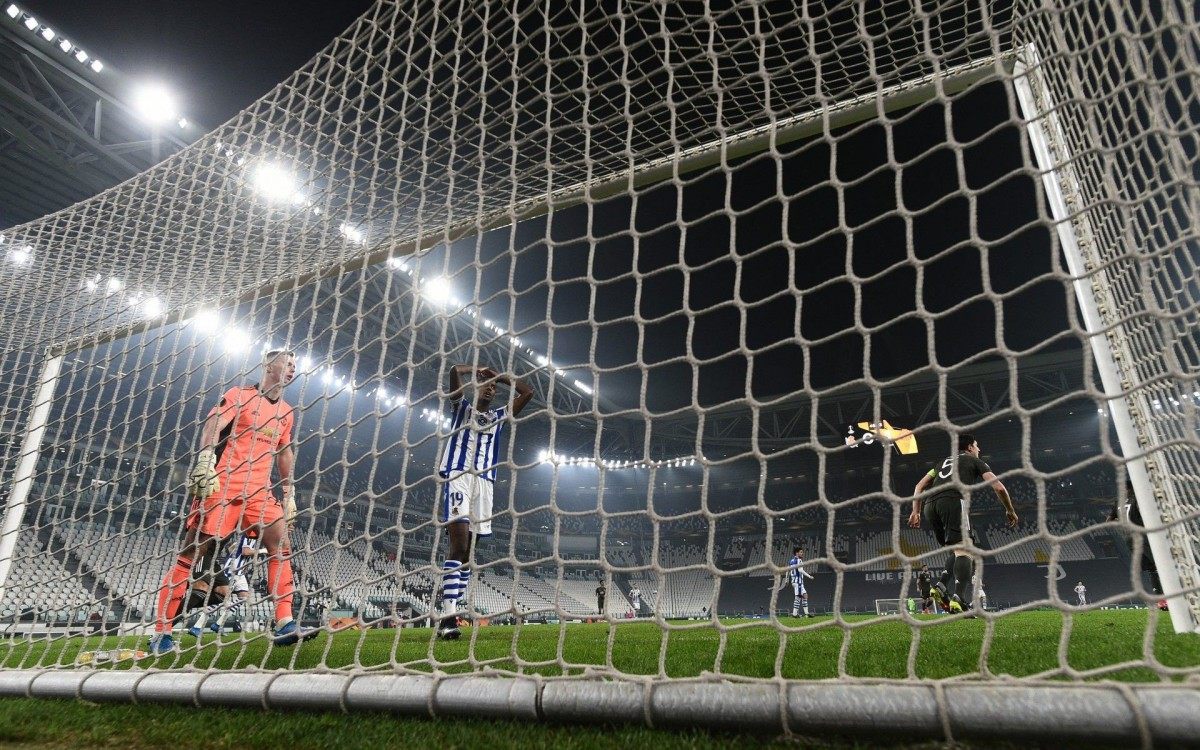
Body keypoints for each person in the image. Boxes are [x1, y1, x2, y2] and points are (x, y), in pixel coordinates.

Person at [149, 349, 307, 654]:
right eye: (287, 364)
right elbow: (214, 424)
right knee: (192, 553)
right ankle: (162, 632)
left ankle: (285, 622)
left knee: (281, 544)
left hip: (259, 490)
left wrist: (289, 493)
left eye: (294, 365)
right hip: (224, 485)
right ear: (268, 365)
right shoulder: (239, 394)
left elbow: (284, 453)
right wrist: (206, 459)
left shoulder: (286, 412)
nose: (292, 369)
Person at [435, 363, 533, 640]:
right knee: (458, 546)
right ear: (475, 388)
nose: (489, 390)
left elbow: (528, 392)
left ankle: (453, 608)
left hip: (485, 485)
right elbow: (453, 372)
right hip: (459, 477)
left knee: (468, 557)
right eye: (485, 386)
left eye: (492, 388)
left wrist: (500, 378)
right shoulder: (462, 409)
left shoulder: (499, 416)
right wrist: (474, 370)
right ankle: (447, 617)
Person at [908, 434, 1017, 614]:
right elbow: (999, 487)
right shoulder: (975, 461)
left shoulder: (942, 462)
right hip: (952, 501)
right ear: (969, 448)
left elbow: (919, 486)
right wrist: (1010, 510)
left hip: (929, 505)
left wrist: (916, 511)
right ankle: (958, 598)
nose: (979, 449)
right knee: (965, 550)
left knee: (957, 551)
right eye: (976, 446)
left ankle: (942, 586)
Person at [187, 529, 264, 637]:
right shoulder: (250, 534)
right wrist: (263, 551)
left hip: (239, 572)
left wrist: (242, 561)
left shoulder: (252, 537)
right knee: (221, 598)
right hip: (232, 571)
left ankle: (218, 625)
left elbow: (231, 548)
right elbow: (245, 551)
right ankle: (197, 627)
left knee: (244, 597)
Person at [1108, 481, 1168, 610]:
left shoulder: (1118, 502)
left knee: (1153, 569)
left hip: (1130, 540)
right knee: (1162, 565)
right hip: (1145, 537)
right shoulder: (1138, 499)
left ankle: (1161, 600)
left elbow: (1109, 521)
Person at [788, 546, 814, 617]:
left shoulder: (791, 561)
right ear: (797, 553)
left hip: (795, 581)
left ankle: (807, 614)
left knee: (805, 596)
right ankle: (794, 614)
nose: (802, 553)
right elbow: (800, 570)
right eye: (801, 552)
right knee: (798, 597)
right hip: (798, 582)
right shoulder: (799, 560)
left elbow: (788, 570)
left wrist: (787, 579)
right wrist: (809, 576)